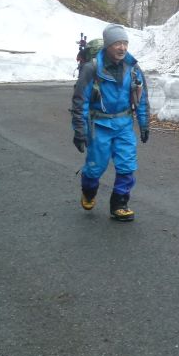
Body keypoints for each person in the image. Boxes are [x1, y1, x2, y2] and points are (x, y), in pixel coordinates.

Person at [70, 23, 150, 222]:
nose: (122, 47)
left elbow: (141, 99)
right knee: (95, 167)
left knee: (127, 165)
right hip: (99, 127)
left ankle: (119, 204)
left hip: (124, 125)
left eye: (125, 43)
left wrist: (144, 123)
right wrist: (80, 131)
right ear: (107, 45)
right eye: (117, 43)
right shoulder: (92, 69)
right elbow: (80, 102)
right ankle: (88, 191)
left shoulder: (133, 68)